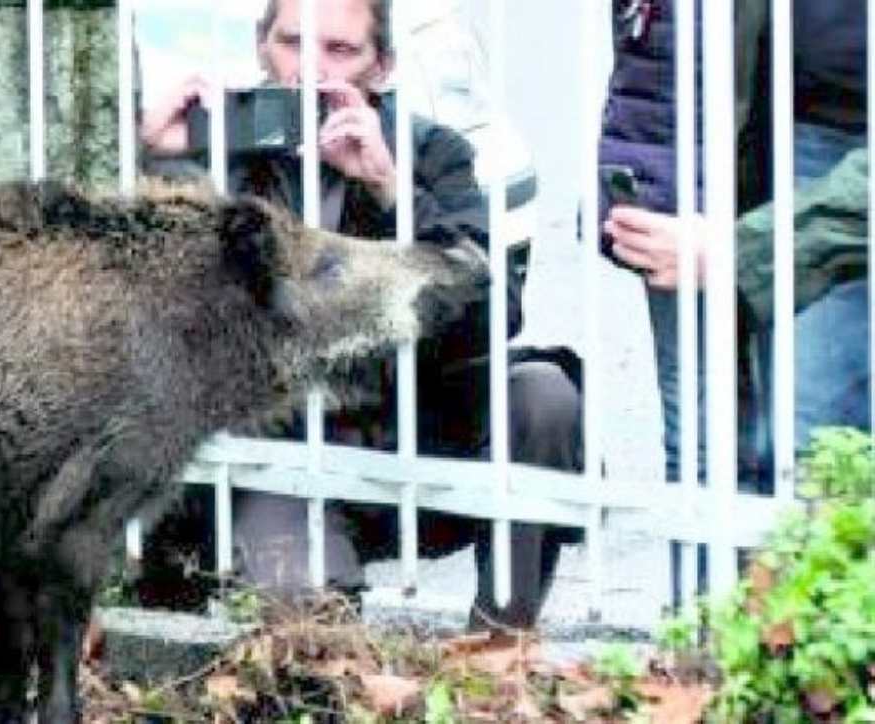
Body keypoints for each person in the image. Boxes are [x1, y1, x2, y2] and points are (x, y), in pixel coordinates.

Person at [139, 0, 584, 630]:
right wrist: (156, 163)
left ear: (384, 67)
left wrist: (391, 189)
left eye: (342, 52)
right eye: (293, 43)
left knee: (544, 396)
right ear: (262, 47)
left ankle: (498, 649)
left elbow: (492, 313)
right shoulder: (222, 156)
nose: (313, 71)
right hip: (286, 455)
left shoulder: (430, 153)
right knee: (304, 616)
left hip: (422, 425)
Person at [598, 0, 867, 604]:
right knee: (702, 442)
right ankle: (707, 655)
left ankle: (805, 668)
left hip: (837, 124)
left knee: (810, 449)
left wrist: (743, 252)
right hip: (699, 119)